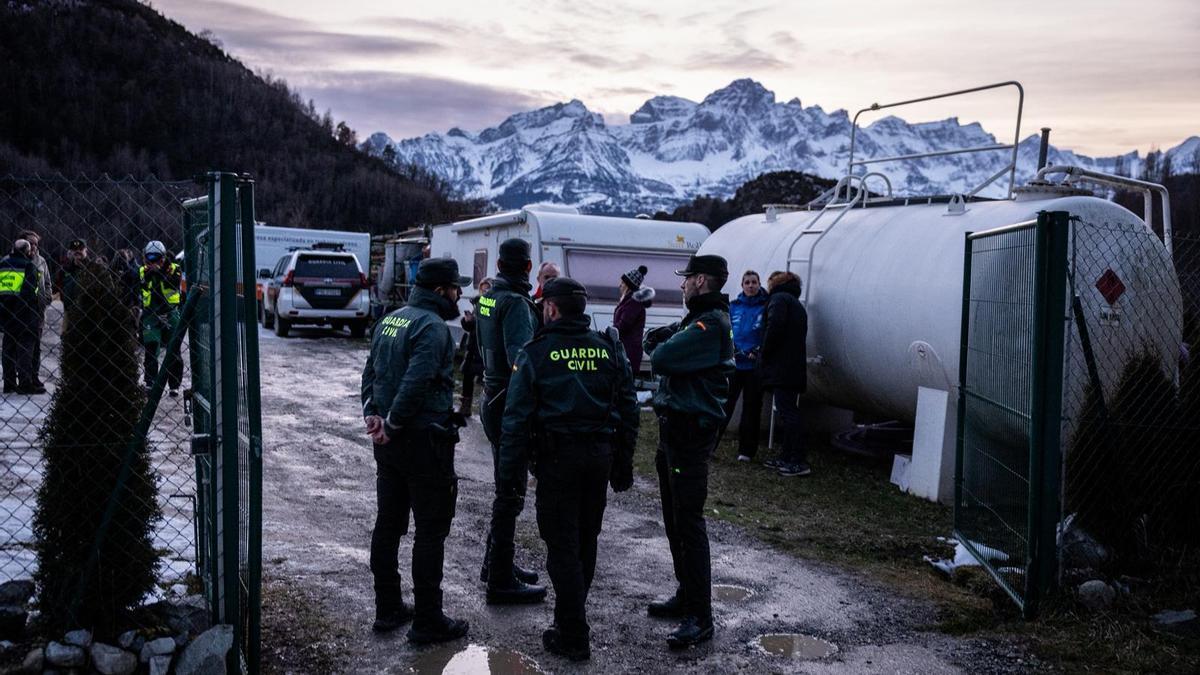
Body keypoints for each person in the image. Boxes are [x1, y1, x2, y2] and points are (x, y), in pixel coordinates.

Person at [497, 277, 639, 661]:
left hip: (557, 462)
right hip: (598, 460)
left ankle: (574, 633)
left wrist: (508, 479)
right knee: (585, 541)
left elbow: (515, 421)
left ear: (552, 309)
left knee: (562, 547)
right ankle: (566, 619)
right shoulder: (608, 347)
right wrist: (623, 461)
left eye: (545, 306)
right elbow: (629, 406)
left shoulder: (536, 352)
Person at [360, 257, 472, 644]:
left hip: (389, 446)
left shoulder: (391, 318)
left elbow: (370, 373)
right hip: (423, 440)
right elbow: (417, 381)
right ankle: (428, 619)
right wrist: (391, 423)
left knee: (388, 524)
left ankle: (388, 608)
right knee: (429, 531)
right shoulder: (434, 328)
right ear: (442, 290)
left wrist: (372, 415)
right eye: (457, 287)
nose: (461, 294)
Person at [642, 254, 733, 649]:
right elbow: (659, 344)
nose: (681, 285)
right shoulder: (697, 319)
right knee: (675, 517)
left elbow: (661, 356)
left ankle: (701, 615)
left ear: (701, 281)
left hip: (690, 434)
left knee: (689, 522)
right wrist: (665, 341)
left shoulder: (709, 323)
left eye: (687, 278)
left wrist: (666, 345)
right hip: (675, 431)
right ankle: (686, 593)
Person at [475, 238, 547, 604]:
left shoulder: (489, 296)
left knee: (505, 485)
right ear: (529, 267)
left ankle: (496, 563)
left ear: (500, 264)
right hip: (508, 405)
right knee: (511, 492)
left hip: (491, 398)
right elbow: (522, 361)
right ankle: (500, 579)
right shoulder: (517, 303)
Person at [760, 271, 810, 477]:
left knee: (787, 413)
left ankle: (797, 459)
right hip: (793, 366)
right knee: (787, 410)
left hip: (782, 366)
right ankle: (787, 457)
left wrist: (764, 352)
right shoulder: (796, 304)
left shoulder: (778, 300)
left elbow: (774, 327)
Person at [720, 270, 768, 462]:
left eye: (754, 282)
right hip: (734, 364)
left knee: (752, 408)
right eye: (747, 282)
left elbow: (767, 333)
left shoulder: (765, 307)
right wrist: (734, 348)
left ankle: (746, 451)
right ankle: (710, 444)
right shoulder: (734, 306)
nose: (750, 286)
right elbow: (729, 331)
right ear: (742, 285)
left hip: (754, 367)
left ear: (759, 284)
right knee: (724, 404)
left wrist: (757, 350)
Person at [139, 240, 184, 396]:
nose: (153, 262)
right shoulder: (143, 271)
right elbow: (144, 284)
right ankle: (150, 382)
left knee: (174, 349)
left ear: (163, 258)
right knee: (151, 348)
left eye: (156, 258)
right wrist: (153, 272)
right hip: (151, 314)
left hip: (170, 312)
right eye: (149, 258)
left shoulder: (174, 269)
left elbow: (173, 284)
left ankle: (174, 385)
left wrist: (161, 272)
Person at [1, 239, 44, 394]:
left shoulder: (3, 264)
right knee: (26, 349)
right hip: (26, 315)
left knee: (8, 348)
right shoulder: (29, 266)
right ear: (28, 251)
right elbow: (30, 292)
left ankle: (9, 382)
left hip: (6, 312)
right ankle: (25, 383)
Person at [18, 230, 51, 390]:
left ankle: (34, 376)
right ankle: (23, 379)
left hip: (38, 311)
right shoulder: (18, 260)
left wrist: (47, 299)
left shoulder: (41, 261)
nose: (34, 246)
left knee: (37, 346)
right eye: (31, 243)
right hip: (21, 311)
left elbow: (48, 284)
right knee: (24, 346)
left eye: (36, 244)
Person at [457, 277, 492, 417]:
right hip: (472, 347)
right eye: (483, 289)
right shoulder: (477, 303)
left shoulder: (493, 305)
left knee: (486, 380)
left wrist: (474, 321)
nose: (484, 292)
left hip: (484, 348)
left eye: (487, 289)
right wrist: (467, 321)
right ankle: (465, 406)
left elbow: (488, 325)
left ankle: (487, 409)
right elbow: (470, 327)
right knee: (467, 377)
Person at [612, 265, 654, 373]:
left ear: (628, 286)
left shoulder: (633, 302)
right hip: (626, 349)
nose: (619, 285)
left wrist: (610, 332)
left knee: (625, 381)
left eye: (622, 283)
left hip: (628, 351)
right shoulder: (630, 300)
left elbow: (624, 325)